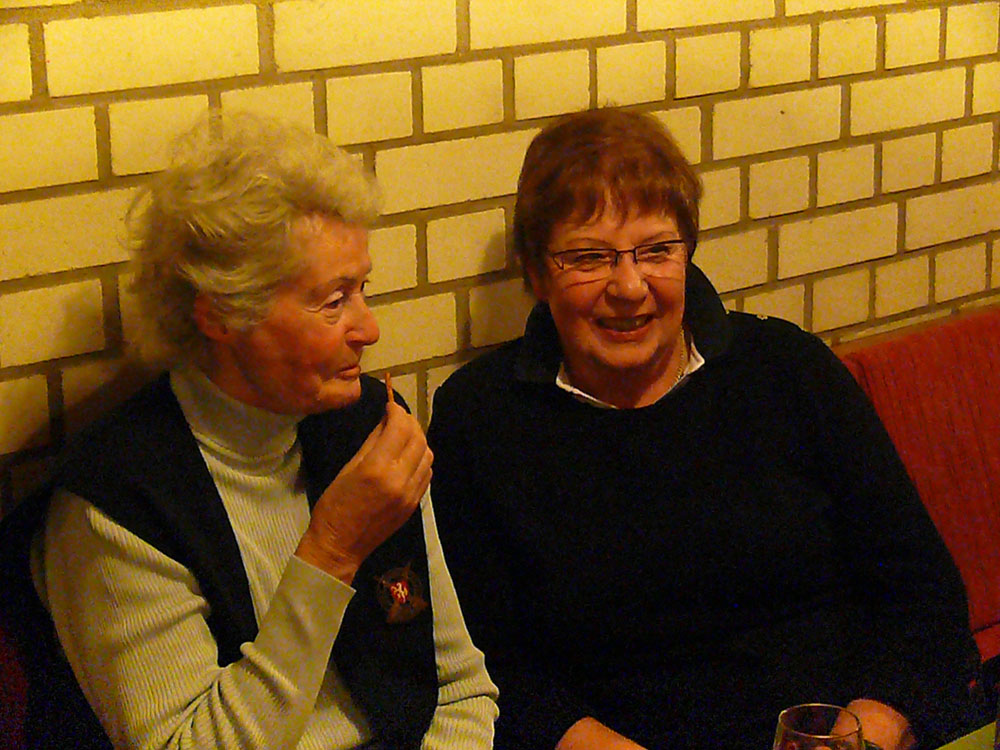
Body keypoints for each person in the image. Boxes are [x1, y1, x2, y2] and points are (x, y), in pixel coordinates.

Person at [426, 107, 981, 750]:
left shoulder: (788, 370)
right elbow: (483, 665)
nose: (629, 286)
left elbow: (922, 594)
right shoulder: (481, 418)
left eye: (656, 251)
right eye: (589, 257)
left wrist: (863, 733)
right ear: (535, 272)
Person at [0, 113, 497, 749]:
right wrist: (332, 550)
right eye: (333, 301)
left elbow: (460, 686)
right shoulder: (118, 504)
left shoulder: (364, 425)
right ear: (221, 316)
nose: (369, 329)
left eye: (362, 289)